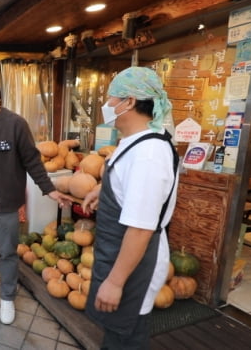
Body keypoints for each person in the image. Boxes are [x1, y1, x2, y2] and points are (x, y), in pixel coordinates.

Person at [0, 71, 73, 325]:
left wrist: (49, 189)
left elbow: (32, 160)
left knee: (8, 252)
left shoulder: (15, 124)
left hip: (5, 205)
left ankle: (8, 296)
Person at [81, 66, 179, 349]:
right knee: (114, 334)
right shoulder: (136, 142)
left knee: (126, 338)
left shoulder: (149, 154)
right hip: (116, 252)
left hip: (133, 264)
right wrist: (105, 189)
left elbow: (140, 229)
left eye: (112, 98)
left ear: (130, 102)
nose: (107, 105)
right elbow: (129, 180)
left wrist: (115, 282)